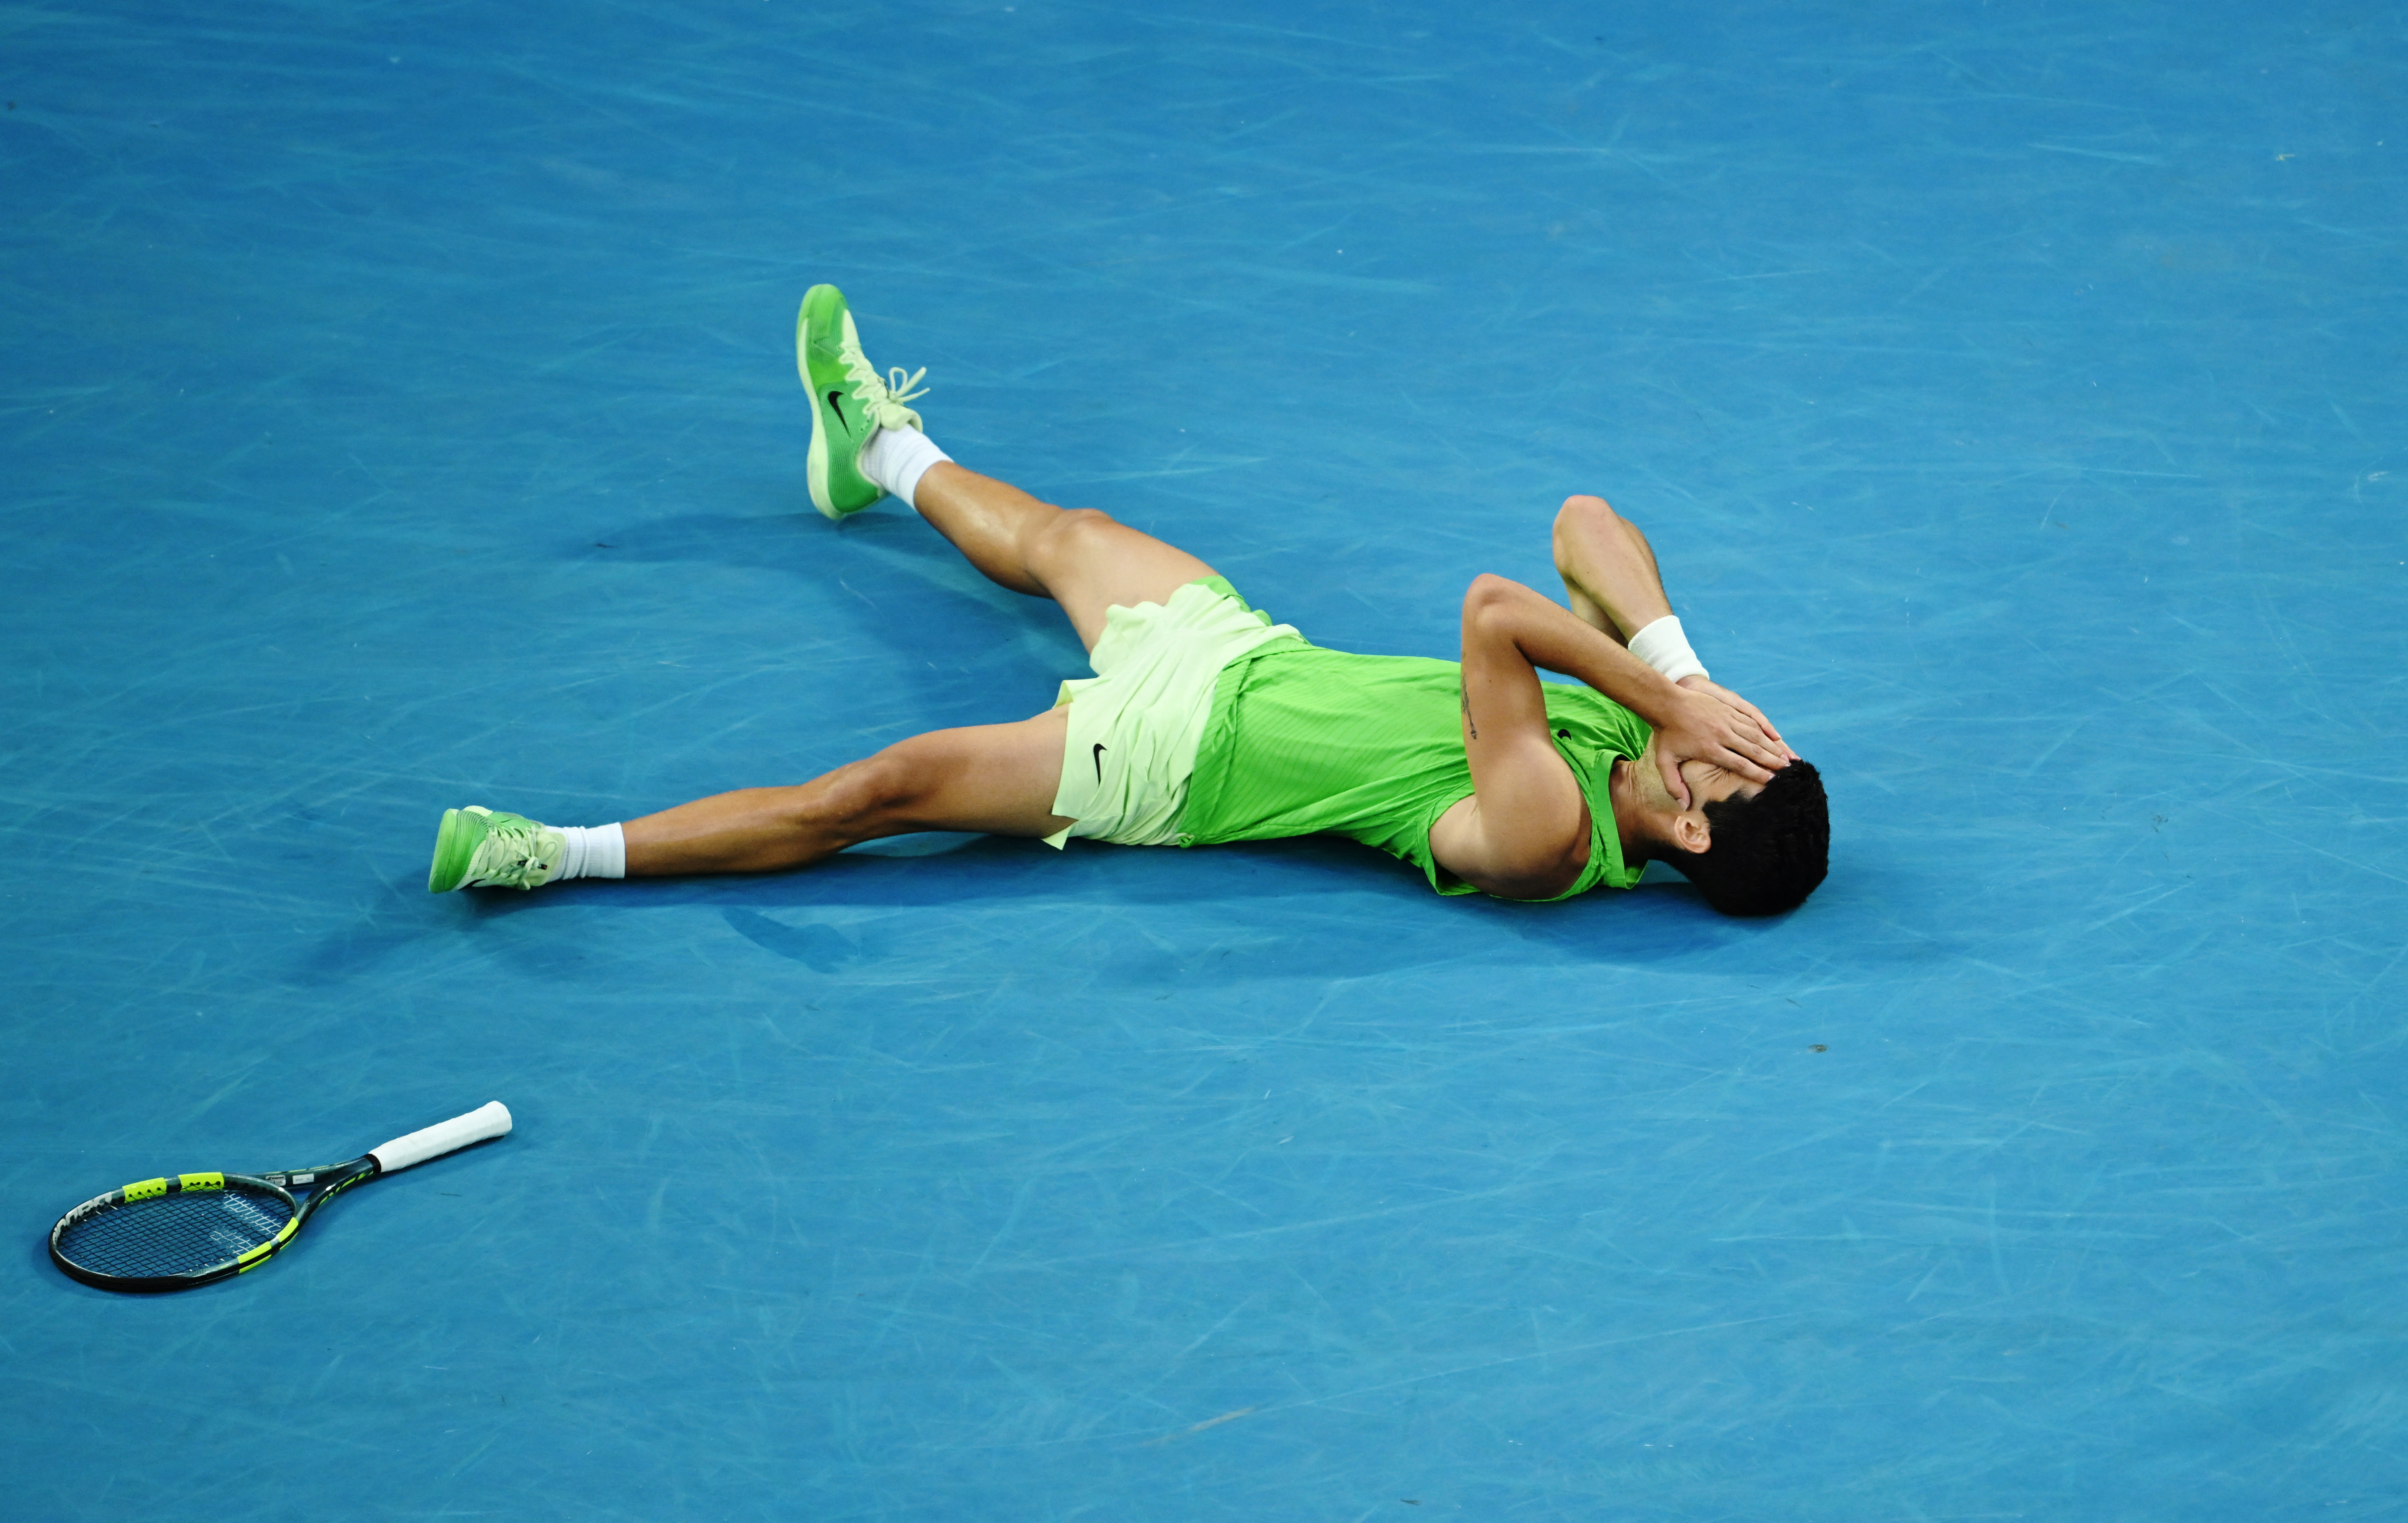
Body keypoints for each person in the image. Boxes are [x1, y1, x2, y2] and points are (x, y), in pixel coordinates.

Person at [427, 286, 1828, 915]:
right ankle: (875, 450)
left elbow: (1494, 608)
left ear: (1692, 817)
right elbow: (1587, 523)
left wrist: (1668, 694)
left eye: (1729, 757)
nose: (1723, 730)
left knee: (874, 791)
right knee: (1066, 533)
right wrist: (1682, 669)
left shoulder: (1546, 836)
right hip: (1234, 655)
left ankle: (554, 854)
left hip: (1167, 764)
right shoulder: (1665, 741)